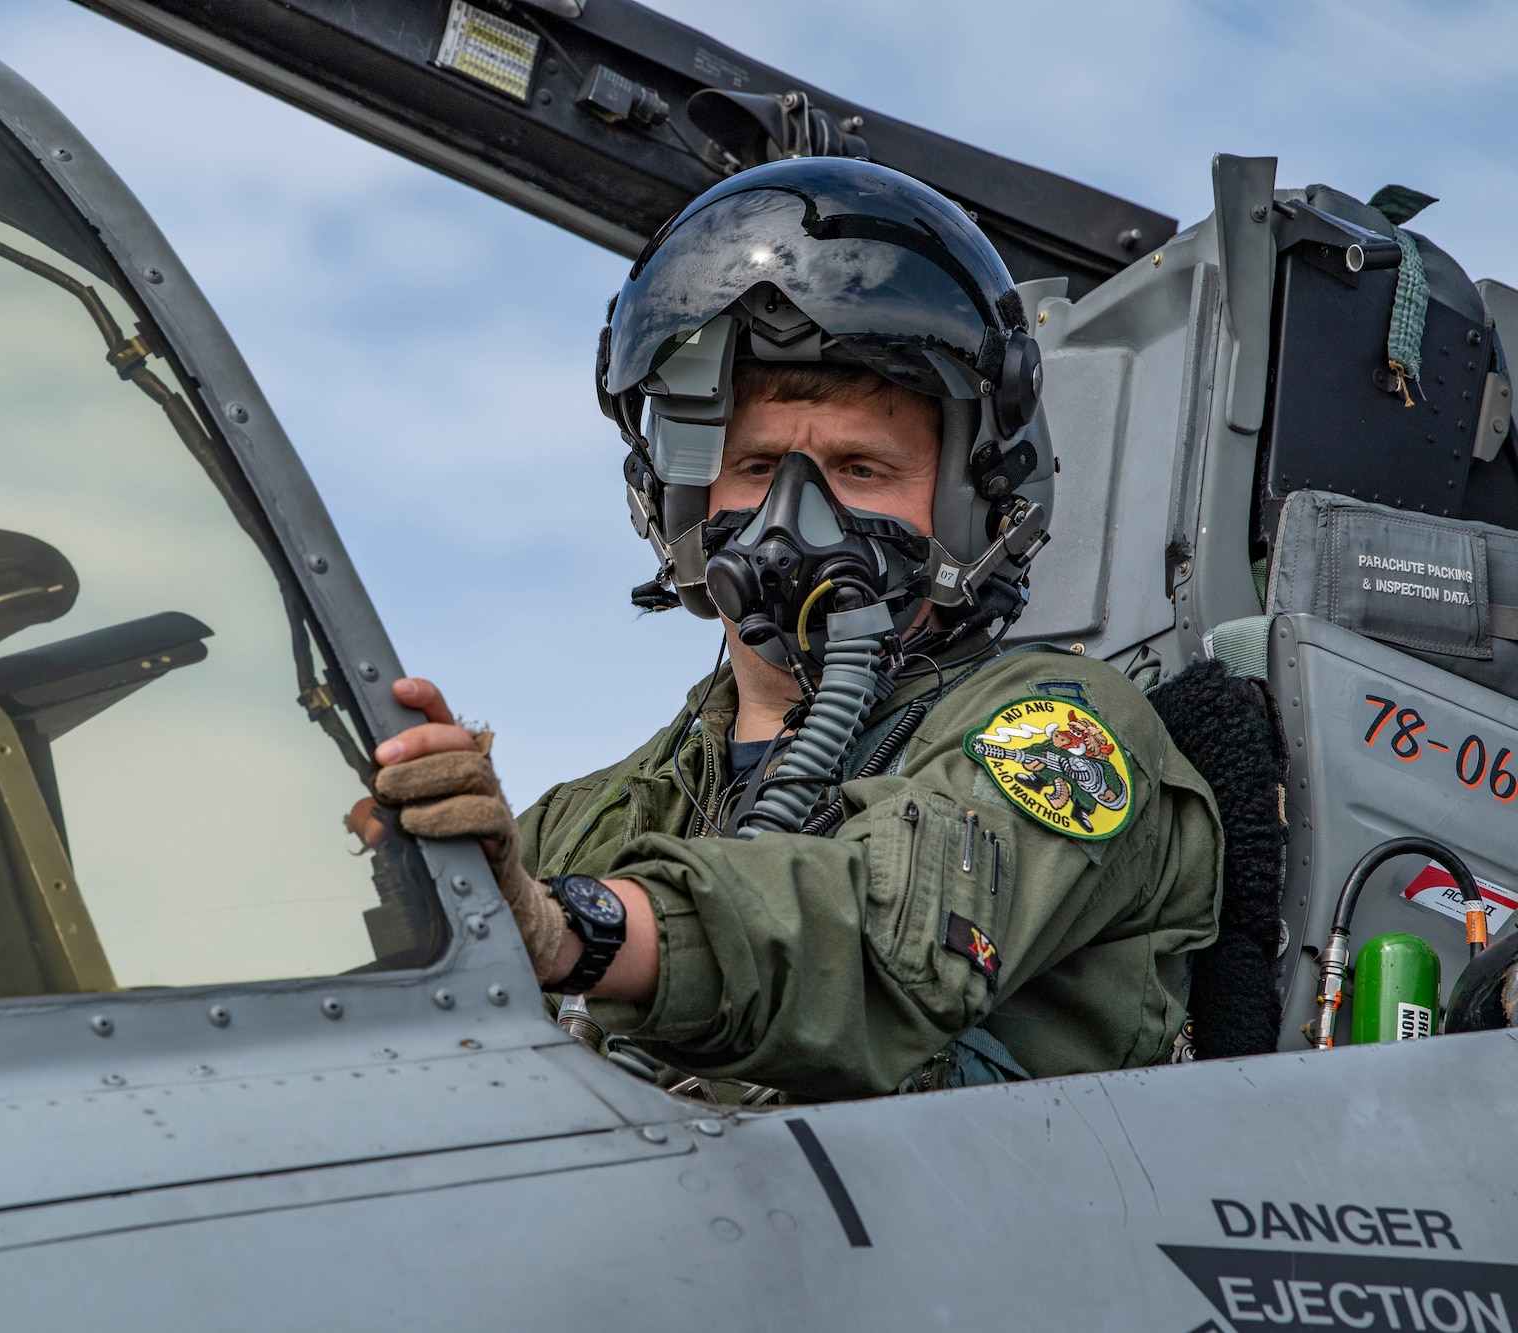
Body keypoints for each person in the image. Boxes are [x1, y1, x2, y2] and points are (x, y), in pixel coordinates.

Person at [366, 157, 1222, 1102]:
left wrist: (578, 928)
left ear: (972, 504)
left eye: (859, 469)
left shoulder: (1063, 732)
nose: (790, 516)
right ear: (682, 497)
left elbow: (885, 945)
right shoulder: (584, 820)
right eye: (757, 463)